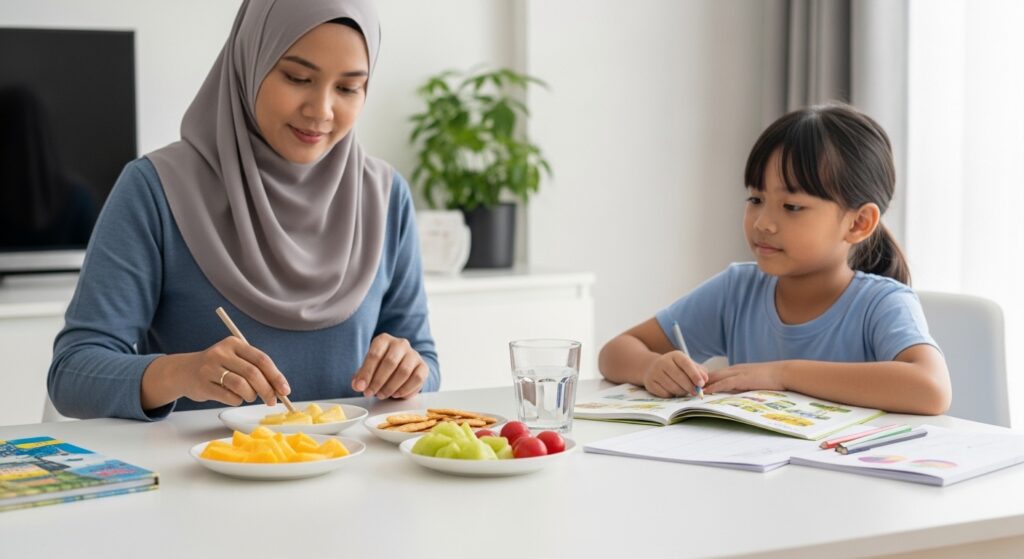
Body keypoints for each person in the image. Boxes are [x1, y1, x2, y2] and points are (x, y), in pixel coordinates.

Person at [48, 0, 440, 420]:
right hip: (201, 477)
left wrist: (409, 370)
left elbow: (427, 367)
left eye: (348, 88)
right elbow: (72, 373)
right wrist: (182, 372)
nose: (321, 110)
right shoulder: (155, 189)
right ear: (249, 63)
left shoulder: (384, 196)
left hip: (352, 476)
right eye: (297, 77)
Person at [598, 103, 951, 415]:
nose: (763, 223)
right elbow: (615, 353)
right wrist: (651, 367)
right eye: (755, 199)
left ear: (858, 223)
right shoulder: (738, 289)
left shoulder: (882, 303)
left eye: (792, 206)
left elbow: (931, 388)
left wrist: (781, 374)